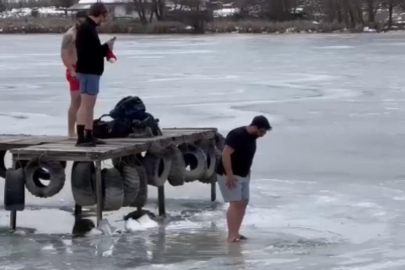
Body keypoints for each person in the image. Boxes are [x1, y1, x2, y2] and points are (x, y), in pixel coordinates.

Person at [216, 115, 272, 243]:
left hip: (243, 174)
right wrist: (229, 174)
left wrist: (248, 172)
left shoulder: (253, 137)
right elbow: (225, 154)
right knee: (235, 203)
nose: (262, 135)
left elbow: (247, 155)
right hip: (229, 175)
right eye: (262, 131)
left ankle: (236, 233)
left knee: (243, 203)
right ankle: (231, 236)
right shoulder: (236, 135)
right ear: (255, 127)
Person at [75, 2, 116, 147]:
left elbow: (89, 50)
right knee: (87, 105)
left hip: (86, 70)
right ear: (101, 14)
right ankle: (82, 138)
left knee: (87, 105)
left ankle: (88, 134)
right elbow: (93, 52)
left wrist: (104, 48)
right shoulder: (88, 29)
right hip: (89, 71)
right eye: (105, 16)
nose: (105, 19)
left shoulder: (87, 27)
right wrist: (107, 47)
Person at [60, 11, 87, 138]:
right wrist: (71, 69)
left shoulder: (85, 32)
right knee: (76, 101)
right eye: (80, 21)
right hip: (74, 70)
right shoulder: (70, 35)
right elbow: (64, 54)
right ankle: (71, 131)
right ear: (75, 20)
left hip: (85, 70)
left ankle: (84, 130)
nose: (82, 23)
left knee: (85, 102)